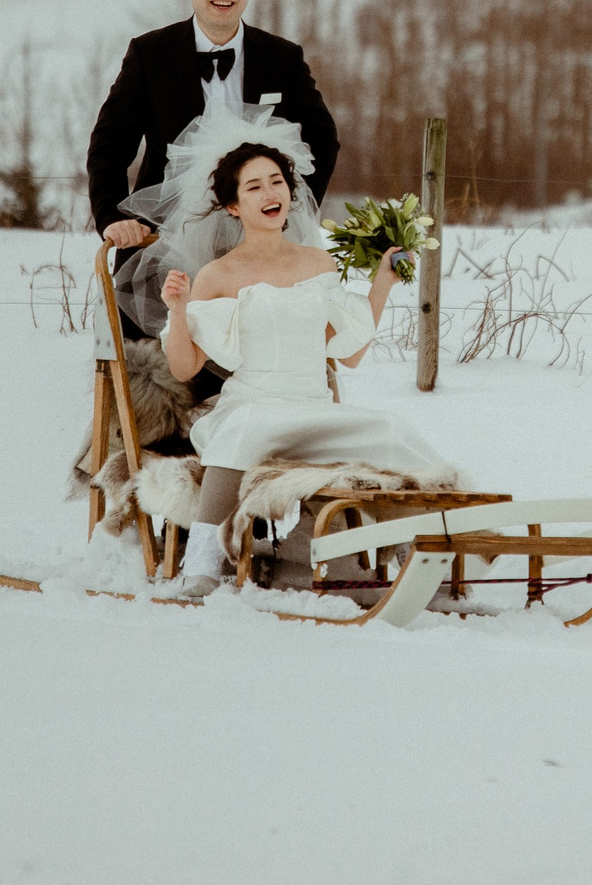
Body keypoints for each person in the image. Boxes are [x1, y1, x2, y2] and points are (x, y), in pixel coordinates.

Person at [140, 125, 459, 588]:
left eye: (276, 181)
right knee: (245, 429)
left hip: (313, 408)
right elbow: (184, 367)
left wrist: (382, 284)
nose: (270, 193)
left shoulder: (318, 263)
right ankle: (204, 568)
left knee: (394, 431)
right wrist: (179, 309)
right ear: (233, 206)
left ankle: (431, 546)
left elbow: (348, 355)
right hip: (254, 406)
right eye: (254, 186)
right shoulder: (218, 274)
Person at [86, 0, 341, 339]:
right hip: (166, 241)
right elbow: (109, 144)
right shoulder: (150, 54)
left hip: (261, 245)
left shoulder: (282, 58)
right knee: (159, 365)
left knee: (268, 347)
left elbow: (323, 140)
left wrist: (285, 208)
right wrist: (113, 217)